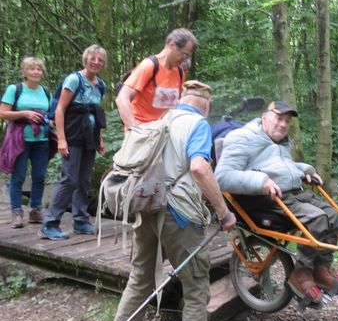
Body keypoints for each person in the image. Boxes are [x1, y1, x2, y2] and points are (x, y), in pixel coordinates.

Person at [106, 81, 236, 321]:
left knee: (140, 279)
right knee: (196, 288)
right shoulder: (198, 124)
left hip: (147, 207)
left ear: (181, 100)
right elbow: (200, 168)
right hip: (180, 216)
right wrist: (224, 212)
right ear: (208, 105)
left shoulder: (160, 120)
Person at [215, 100, 338, 306]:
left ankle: (321, 268)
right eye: (279, 118)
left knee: (332, 215)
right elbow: (222, 177)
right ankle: (300, 274)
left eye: (287, 120)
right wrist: (261, 181)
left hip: (293, 193)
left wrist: (306, 170)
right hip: (264, 199)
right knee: (318, 219)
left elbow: (282, 166)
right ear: (264, 117)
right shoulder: (243, 138)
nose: (284, 124)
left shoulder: (279, 142)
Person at [40, 45, 108, 240]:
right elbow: (61, 109)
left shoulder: (100, 84)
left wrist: (99, 138)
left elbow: (94, 113)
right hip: (72, 135)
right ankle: (50, 223)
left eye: (100, 60)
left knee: (84, 179)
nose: (96, 62)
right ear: (85, 59)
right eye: (92, 58)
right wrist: (61, 138)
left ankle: (80, 221)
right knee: (69, 179)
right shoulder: (74, 79)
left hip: (89, 138)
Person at [0, 57, 52, 228]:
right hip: (19, 139)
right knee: (18, 176)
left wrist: (49, 122)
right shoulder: (15, 89)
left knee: (39, 176)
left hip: (41, 140)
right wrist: (25, 114)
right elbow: (3, 113)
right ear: (24, 72)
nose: (36, 72)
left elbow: (50, 116)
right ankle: (16, 212)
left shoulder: (45, 92)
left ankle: (35, 211)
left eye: (39, 69)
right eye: (32, 69)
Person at [116, 28, 196, 129]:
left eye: (188, 57)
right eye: (184, 54)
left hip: (164, 132)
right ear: (172, 45)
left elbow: (173, 106)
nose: (185, 60)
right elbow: (122, 98)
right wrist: (135, 130)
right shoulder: (150, 66)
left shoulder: (179, 73)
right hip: (143, 132)